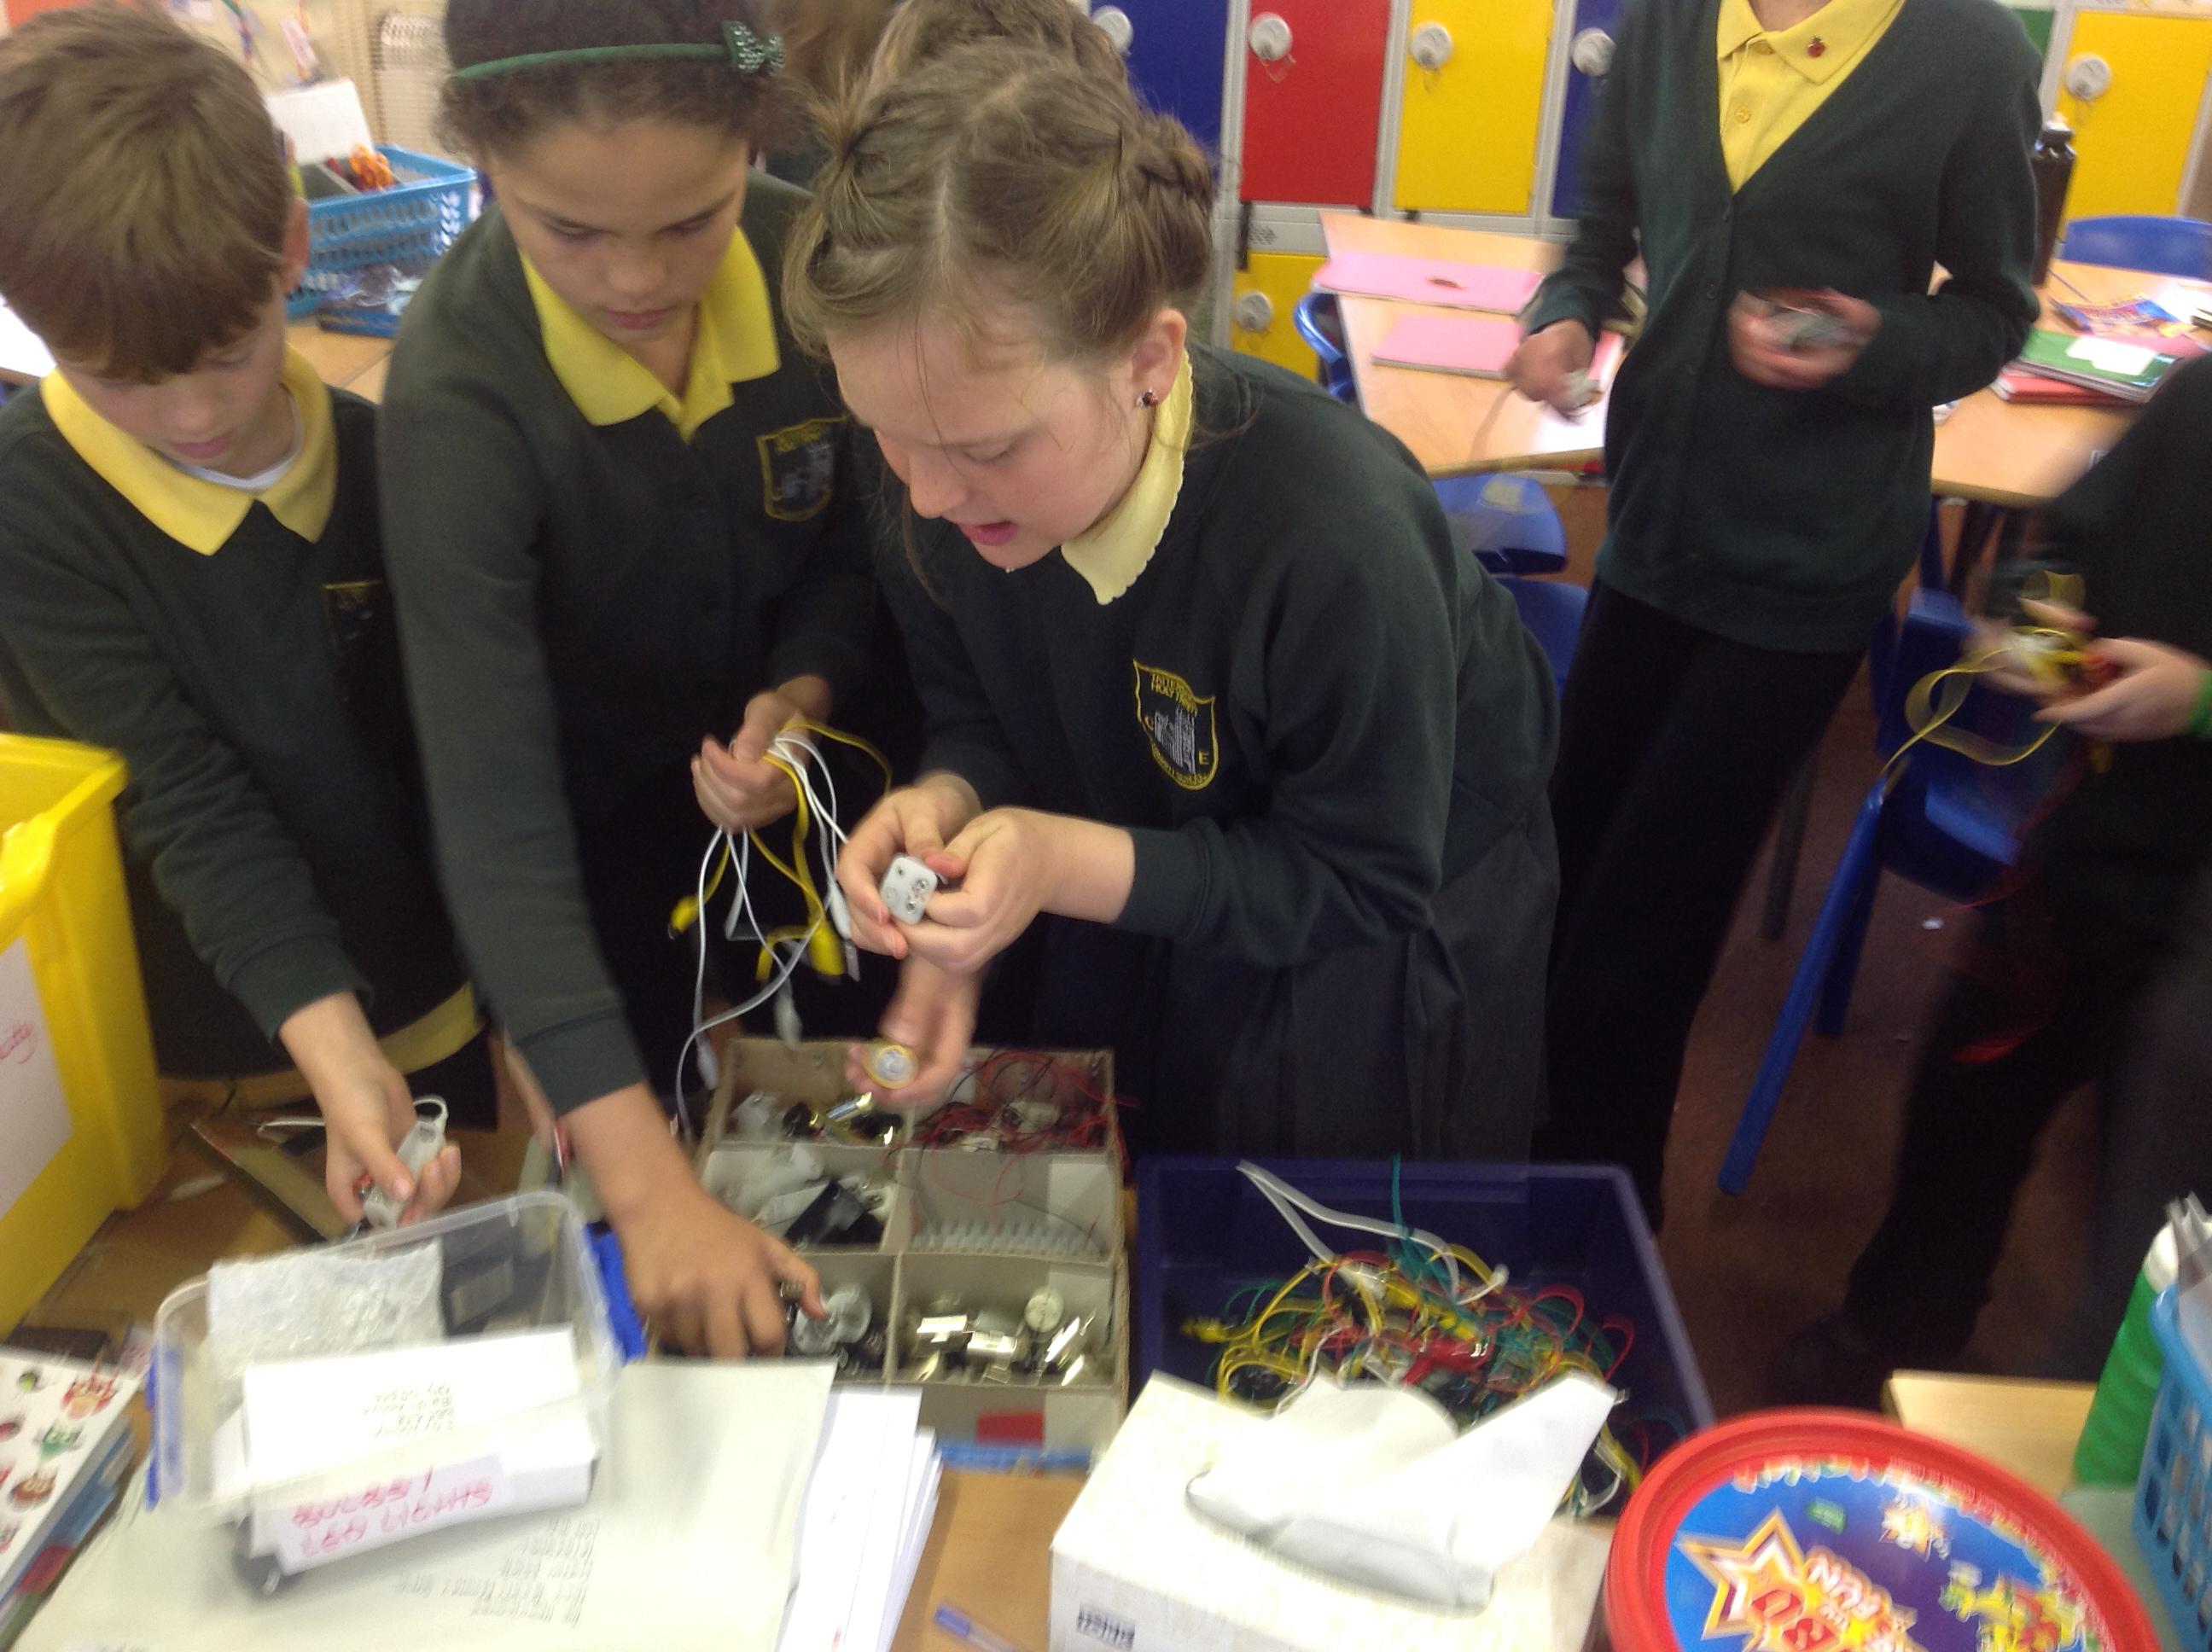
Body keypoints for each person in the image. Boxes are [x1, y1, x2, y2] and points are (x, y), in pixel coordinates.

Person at [746, 5, 1558, 1160]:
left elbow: (1361, 877)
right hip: (1145, 840)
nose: (926, 496)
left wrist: (1057, 859)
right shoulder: (938, 459)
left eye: (986, 449)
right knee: (1135, 1131)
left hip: (1377, 901)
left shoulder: (1335, 537)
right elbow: (982, 709)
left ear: (1148, 359)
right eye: (887, 434)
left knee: (1297, 1189)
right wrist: (954, 803)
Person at [377, 0, 899, 1353]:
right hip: (585, 833)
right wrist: (650, 1189)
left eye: (692, 220)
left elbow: (860, 540)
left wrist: (806, 693)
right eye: (567, 229)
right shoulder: (456, 396)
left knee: (855, 1094)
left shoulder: (811, 263)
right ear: (486, 168)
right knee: (640, 1128)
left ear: (756, 146)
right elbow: (494, 814)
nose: (634, 279)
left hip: (812, 795)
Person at [1506, 0, 2043, 1222]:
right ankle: (1513, 1175)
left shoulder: (1968, 50)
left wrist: (1868, 342)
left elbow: (1995, 310)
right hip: (1655, 524)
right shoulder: (1666, 21)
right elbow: (1601, 230)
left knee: (1639, 945)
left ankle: (1594, 1237)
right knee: (1558, 876)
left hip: (1805, 565)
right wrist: (1567, 313)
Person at [0, 5, 481, 1226]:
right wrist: (335, 1051)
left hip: (428, 1007)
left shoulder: (399, 463)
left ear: (292, 250)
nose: (193, 417)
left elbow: (478, 765)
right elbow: (184, 798)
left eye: (226, 350)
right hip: (193, 1053)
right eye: (122, 378)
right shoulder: (30, 508)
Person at [1772, 355, 2212, 1405]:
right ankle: (1888, 1337)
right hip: (2088, 861)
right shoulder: (2198, 403)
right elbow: (2061, 551)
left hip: (2192, 925)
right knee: (1964, 1107)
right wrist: (2039, 629)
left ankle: (2114, 1432)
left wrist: (2198, 699)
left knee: (2158, 1232)